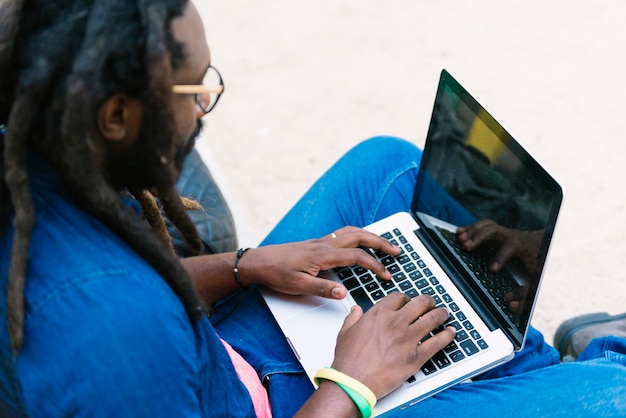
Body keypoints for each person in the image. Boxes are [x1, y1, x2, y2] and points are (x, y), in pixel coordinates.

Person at [0, 1, 624, 418]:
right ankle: (564, 369)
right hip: (307, 404)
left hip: (226, 363)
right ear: (115, 116)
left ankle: (509, 361)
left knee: (392, 171)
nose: (204, 106)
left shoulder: (31, 173)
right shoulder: (117, 335)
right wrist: (352, 384)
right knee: (613, 394)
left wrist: (246, 265)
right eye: (195, 89)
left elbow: (147, 285)